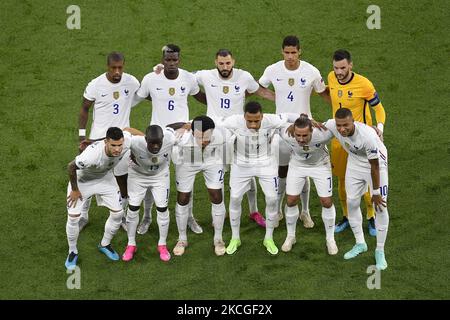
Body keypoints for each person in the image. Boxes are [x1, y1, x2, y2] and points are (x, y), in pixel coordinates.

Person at [259, 35, 330, 229]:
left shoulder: (311, 71)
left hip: (305, 129)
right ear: (282, 52)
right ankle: (280, 209)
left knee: (304, 170)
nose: (290, 56)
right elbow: (259, 88)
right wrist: (275, 98)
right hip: (281, 131)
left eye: (294, 52)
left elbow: (324, 93)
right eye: (287, 52)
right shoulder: (273, 69)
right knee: (282, 171)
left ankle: (305, 212)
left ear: (300, 51)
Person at [135, 44, 206, 235]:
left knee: (186, 177)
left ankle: (189, 217)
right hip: (158, 136)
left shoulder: (188, 78)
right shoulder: (151, 79)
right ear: (162, 60)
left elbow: (199, 95)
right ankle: (147, 217)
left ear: (179, 60)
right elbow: (140, 96)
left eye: (175, 59)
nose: (172, 63)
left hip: (183, 134)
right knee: (151, 176)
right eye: (168, 60)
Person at [221, 101, 298, 255]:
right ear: (244, 117)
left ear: (262, 116)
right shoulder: (233, 121)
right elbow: (214, 121)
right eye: (249, 121)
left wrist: (303, 120)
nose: (254, 124)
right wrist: (188, 125)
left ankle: (268, 238)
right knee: (235, 198)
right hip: (241, 164)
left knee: (271, 199)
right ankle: (235, 238)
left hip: (266, 163)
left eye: (257, 121)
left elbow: (289, 115)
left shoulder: (271, 120)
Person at [78, 52, 140, 231]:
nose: (117, 71)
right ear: (108, 67)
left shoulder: (131, 81)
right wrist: (82, 136)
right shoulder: (96, 84)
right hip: (98, 140)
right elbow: (84, 109)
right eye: (113, 68)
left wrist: (158, 74)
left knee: (122, 178)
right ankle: (82, 215)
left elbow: (147, 92)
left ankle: (121, 215)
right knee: (87, 175)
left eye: (120, 67)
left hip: (121, 140)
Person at [327, 49, 386, 236]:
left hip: (361, 141)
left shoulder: (364, 84)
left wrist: (380, 128)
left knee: (368, 180)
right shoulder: (330, 78)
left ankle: (371, 217)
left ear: (351, 65)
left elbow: (380, 109)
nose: (339, 72)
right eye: (336, 68)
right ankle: (346, 216)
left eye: (343, 67)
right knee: (342, 180)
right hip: (340, 141)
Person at [324, 108, 389, 270]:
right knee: (352, 202)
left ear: (353, 122)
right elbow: (316, 126)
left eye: (345, 125)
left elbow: (374, 166)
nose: (341, 129)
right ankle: (360, 243)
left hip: (376, 165)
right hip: (354, 162)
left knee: (380, 207)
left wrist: (375, 193)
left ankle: (380, 251)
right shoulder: (333, 125)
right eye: (339, 125)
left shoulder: (367, 136)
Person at [65, 127, 133, 270]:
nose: (117, 149)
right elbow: (70, 167)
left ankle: (105, 244)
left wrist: (144, 137)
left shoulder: (126, 142)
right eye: (113, 145)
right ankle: (72, 251)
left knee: (118, 214)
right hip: (83, 181)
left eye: (120, 145)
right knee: (73, 217)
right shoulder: (91, 156)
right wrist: (75, 190)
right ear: (106, 142)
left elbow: (128, 129)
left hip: (105, 179)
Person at [122, 125, 186, 262]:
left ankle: (162, 245)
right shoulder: (134, 142)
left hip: (160, 177)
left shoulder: (170, 137)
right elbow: (123, 132)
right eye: (152, 143)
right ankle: (131, 244)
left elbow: (176, 129)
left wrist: (188, 126)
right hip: (138, 176)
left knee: (162, 209)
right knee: (133, 209)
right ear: (145, 139)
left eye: (159, 143)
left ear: (163, 139)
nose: (156, 146)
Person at [278, 115, 338, 255]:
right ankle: (290, 236)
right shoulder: (286, 133)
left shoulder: (323, 133)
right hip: (297, 165)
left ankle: (330, 239)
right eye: (298, 135)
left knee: (326, 202)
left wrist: (374, 129)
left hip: (321, 165)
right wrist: (291, 122)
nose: (300, 139)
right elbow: (276, 119)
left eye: (305, 135)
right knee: (291, 200)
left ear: (312, 130)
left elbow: (340, 122)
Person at [172, 115, 229, 256]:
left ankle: (218, 239)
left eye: (206, 138)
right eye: (199, 138)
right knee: (183, 198)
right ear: (192, 133)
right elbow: (164, 129)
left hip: (211, 161)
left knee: (217, 195)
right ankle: (182, 239)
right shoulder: (181, 137)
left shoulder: (222, 133)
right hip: (187, 162)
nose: (203, 141)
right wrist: (184, 124)